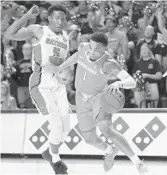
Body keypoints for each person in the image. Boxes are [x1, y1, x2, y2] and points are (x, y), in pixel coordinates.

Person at [56, 32, 153, 174]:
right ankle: (109, 150)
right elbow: (77, 56)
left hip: (99, 97)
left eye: (97, 50)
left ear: (104, 49)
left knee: (106, 128)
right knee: (90, 139)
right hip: (80, 98)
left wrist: (119, 83)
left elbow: (131, 82)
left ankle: (138, 163)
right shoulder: (83, 47)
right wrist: (60, 67)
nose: (92, 51)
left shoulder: (109, 63)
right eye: (91, 47)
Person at [4, 4, 70, 174]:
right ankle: (56, 161)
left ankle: (49, 152)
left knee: (66, 128)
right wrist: (26, 16)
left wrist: (66, 75)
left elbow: (65, 64)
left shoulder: (65, 38)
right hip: (41, 83)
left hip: (58, 84)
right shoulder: (38, 30)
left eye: (63, 18)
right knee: (56, 125)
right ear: (49, 18)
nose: (60, 21)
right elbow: (8, 34)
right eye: (57, 17)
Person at [133, 43, 162, 108]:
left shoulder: (154, 62)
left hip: (152, 84)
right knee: (140, 104)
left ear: (149, 50)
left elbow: (159, 76)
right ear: (140, 52)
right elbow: (134, 76)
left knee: (153, 106)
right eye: (142, 50)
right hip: (140, 87)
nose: (144, 51)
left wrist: (146, 75)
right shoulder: (137, 63)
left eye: (145, 49)